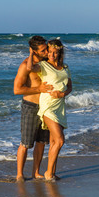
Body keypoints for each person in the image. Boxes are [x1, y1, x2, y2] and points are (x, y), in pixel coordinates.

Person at [27, 39, 72, 181]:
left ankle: (51, 171)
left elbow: (70, 86)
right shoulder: (43, 65)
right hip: (48, 107)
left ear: (59, 53)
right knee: (60, 141)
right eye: (50, 52)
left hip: (60, 106)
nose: (52, 54)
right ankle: (48, 173)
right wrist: (30, 53)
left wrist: (62, 94)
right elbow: (29, 68)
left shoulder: (65, 67)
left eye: (55, 52)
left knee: (54, 142)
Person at [13, 36, 53, 182]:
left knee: (42, 142)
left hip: (46, 107)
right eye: (43, 50)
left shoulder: (46, 63)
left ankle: (36, 172)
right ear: (33, 52)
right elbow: (17, 90)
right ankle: (19, 174)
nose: (46, 52)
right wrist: (39, 89)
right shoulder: (25, 66)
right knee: (25, 143)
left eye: (46, 48)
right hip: (30, 107)